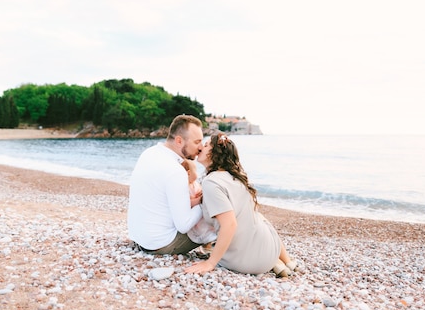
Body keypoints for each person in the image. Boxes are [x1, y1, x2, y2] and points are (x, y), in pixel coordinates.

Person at [184, 133, 300, 277]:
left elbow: (230, 224)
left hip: (246, 262)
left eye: (206, 145)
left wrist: (210, 263)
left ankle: (276, 262)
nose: (201, 147)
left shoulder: (211, 182)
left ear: (214, 154)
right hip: (270, 249)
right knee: (258, 216)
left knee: (244, 220)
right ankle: (285, 261)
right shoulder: (234, 177)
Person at [127, 114, 205, 255]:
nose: (201, 147)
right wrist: (204, 202)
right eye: (197, 142)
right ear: (179, 141)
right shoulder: (175, 171)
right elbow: (184, 225)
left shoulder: (149, 153)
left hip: (140, 237)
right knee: (216, 214)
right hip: (160, 244)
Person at [182, 159, 217, 246]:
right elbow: (187, 203)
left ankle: (214, 238)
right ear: (189, 173)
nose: (197, 173)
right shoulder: (184, 187)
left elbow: (200, 191)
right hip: (195, 216)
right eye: (196, 171)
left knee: (209, 223)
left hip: (201, 212)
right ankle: (209, 240)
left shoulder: (194, 184)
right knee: (203, 229)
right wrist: (199, 200)